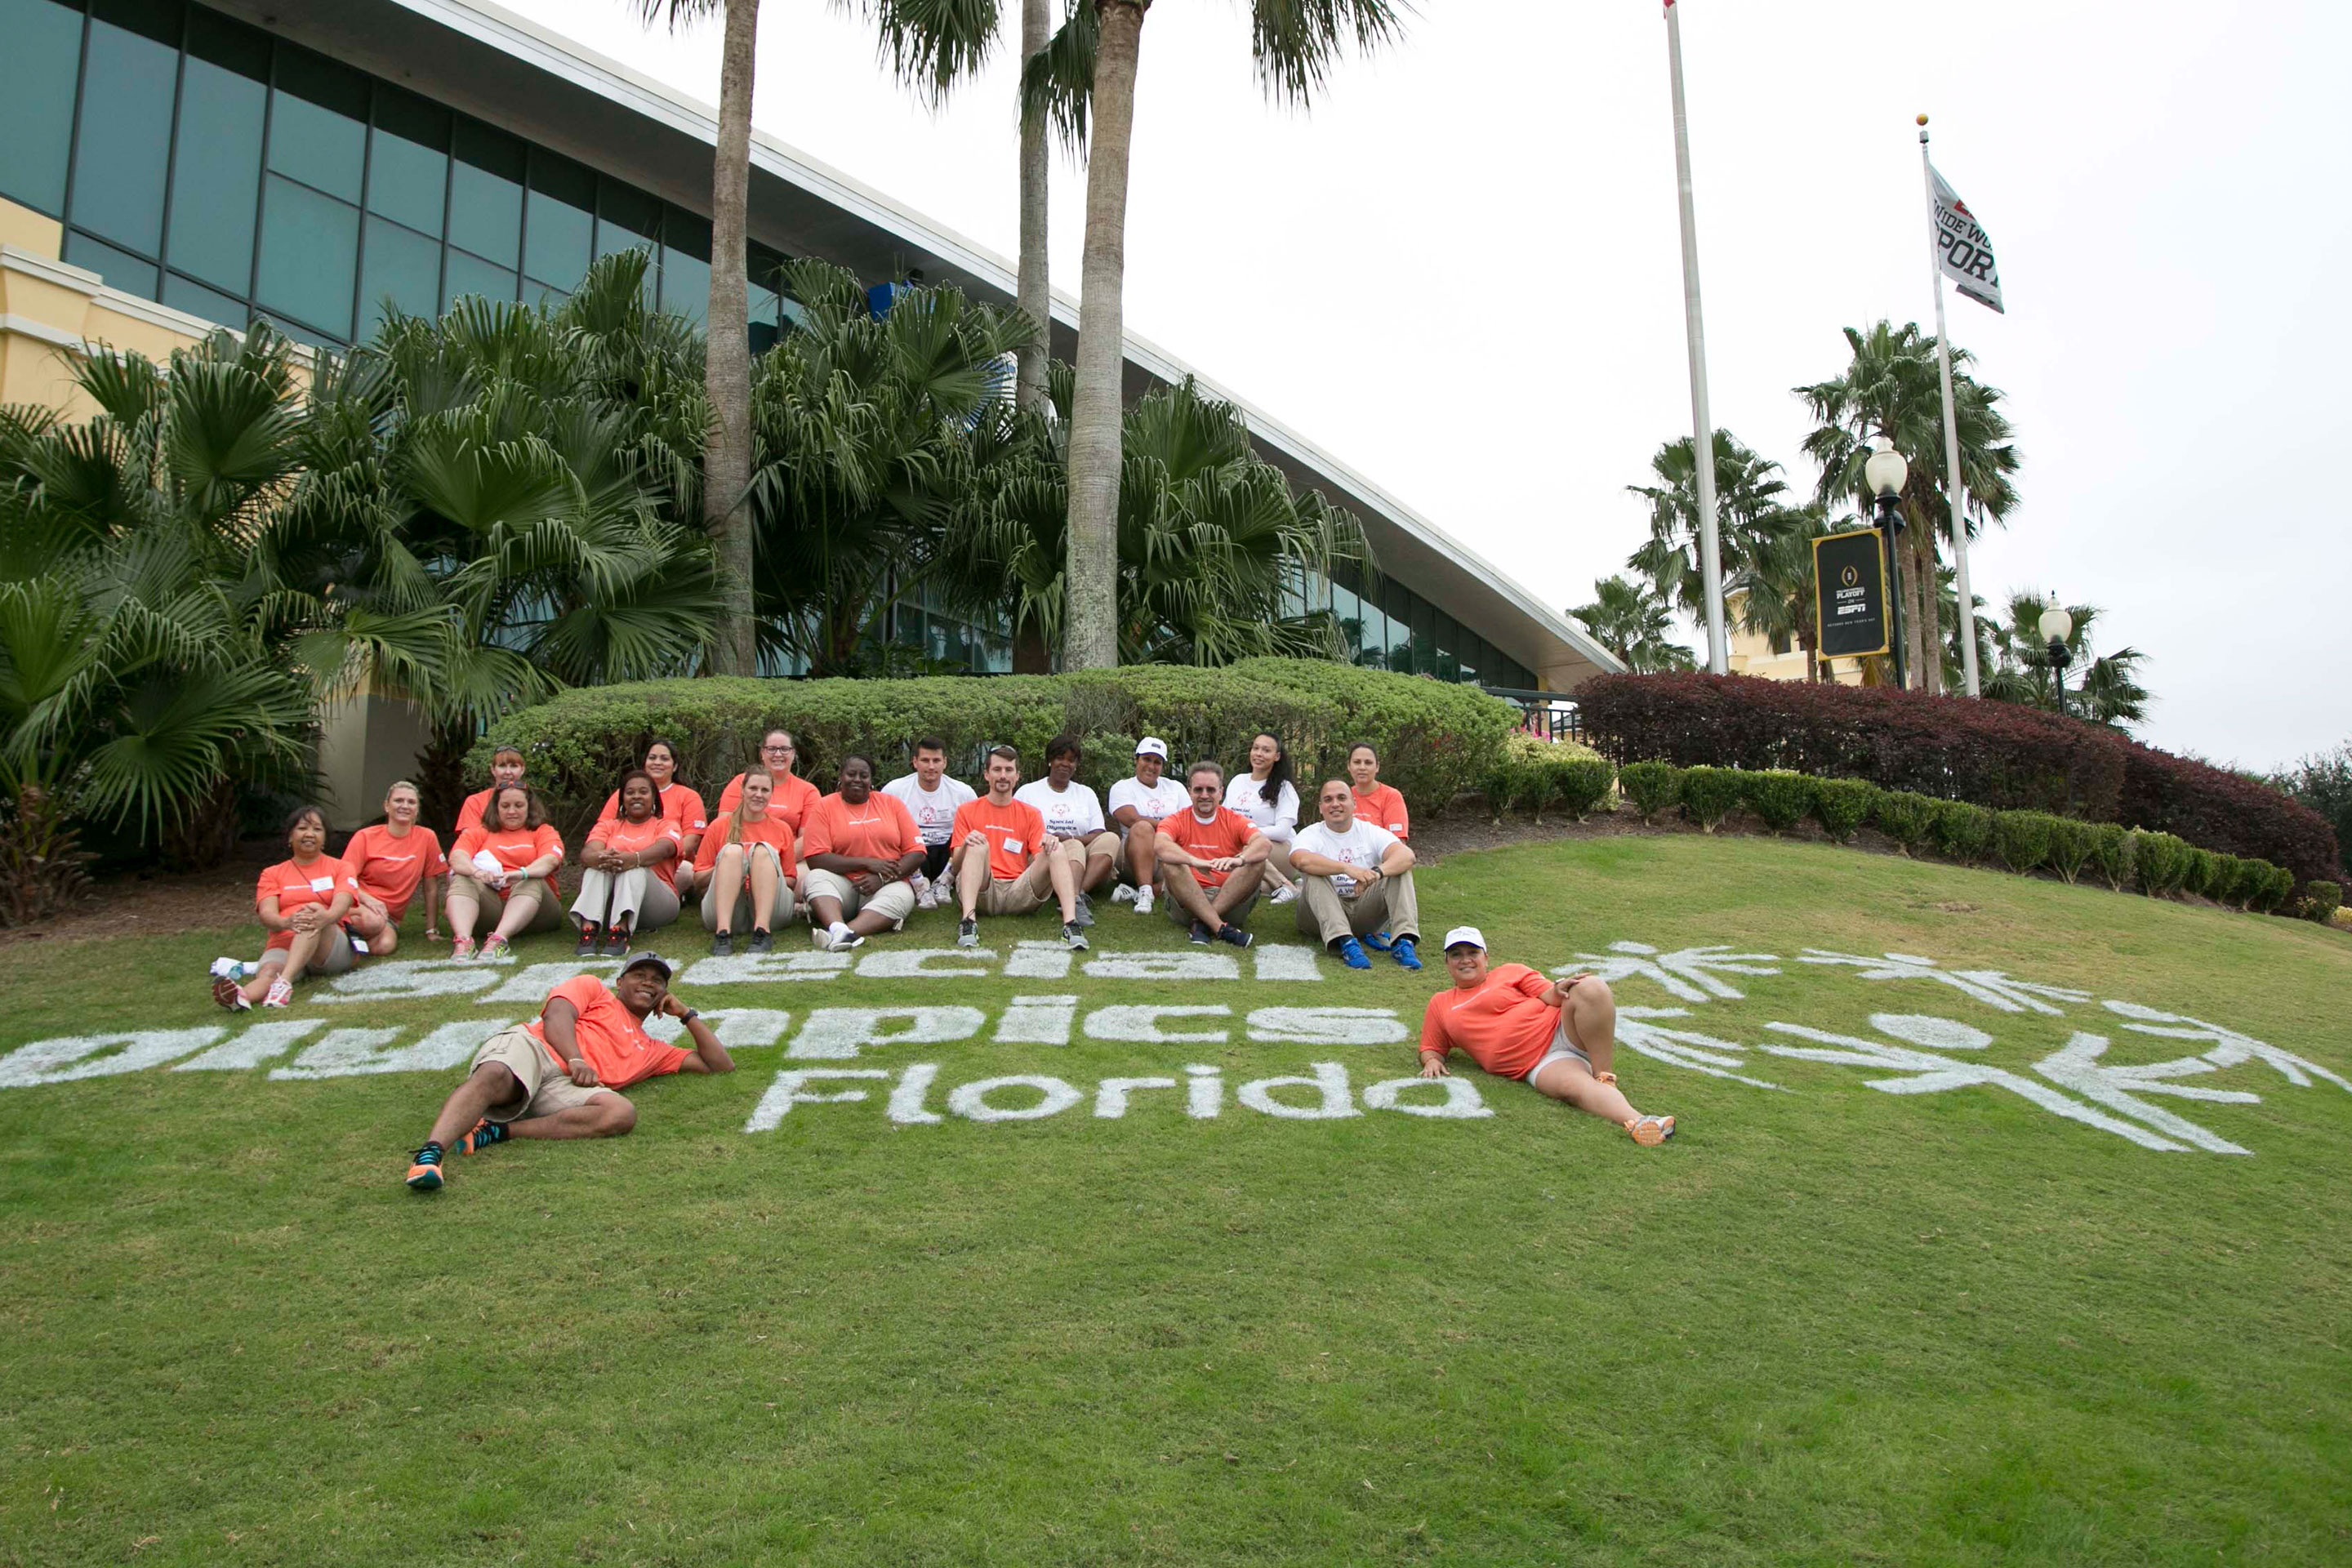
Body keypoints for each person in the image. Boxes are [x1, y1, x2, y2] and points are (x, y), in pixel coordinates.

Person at [403, 953, 733, 1192]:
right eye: (639, 975)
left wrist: (686, 1014)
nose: (649, 982)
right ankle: (430, 1155)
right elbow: (557, 1015)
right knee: (494, 1075)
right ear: (619, 982)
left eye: (658, 981)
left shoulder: (653, 1050)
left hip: (565, 1086)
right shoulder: (593, 989)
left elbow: (720, 1066)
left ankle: (497, 1132)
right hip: (536, 1049)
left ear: (664, 994)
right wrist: (575, 1059)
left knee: (621, 1112)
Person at [1417, 926, 1674, 1147]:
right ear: (1447, 962)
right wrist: (1431, 1060)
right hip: (1539, 1063)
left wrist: (1560, 987)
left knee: (1591, 986)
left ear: (1486, 958)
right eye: (1456, 955)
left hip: (1564, 1028)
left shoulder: (1510, 971)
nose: (1465, 960)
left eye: (1472, 953)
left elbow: (1551, 995)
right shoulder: (1441, 1004)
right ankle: (1641, 1123)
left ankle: (1605, 1076)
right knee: (1571, 1089)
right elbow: (1431, 1046)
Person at [209, 805, 361, 1009]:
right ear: (290, 837)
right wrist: (287, 922)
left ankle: (285, 982)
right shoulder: (272, 873)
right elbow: (267, 914)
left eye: (317, 829)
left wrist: (325, 917)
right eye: (302, 828)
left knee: (312, 911)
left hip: (330, 945)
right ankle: (241, 997)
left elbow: (342, 902)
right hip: (285, 942)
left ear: (325, 839)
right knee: (269, 970)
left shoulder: (341, 867)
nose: (309, 834)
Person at [950, 745, 1089, 952]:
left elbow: (1039, 857)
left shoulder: (1030, 814)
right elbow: (956, 866)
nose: (1003, 776)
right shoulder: (967, 811)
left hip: (1019, 890)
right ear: (987, 775)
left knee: (1057, 848)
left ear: (1017, 776)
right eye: (997, 770)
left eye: (1009, 770)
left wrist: (1050, 843)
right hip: (984, 890)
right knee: (977, 845)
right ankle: (968, 922)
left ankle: (1071, 924)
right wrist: (968, 843)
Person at [1290, 778, 1422, 970]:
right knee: (1314, 872)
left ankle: (1404, 941)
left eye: (1342, 798)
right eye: (1328, 800)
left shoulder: (1370, 831)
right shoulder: (1311, 833)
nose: (1335, 804)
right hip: (1317, 916)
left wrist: (1377, 873)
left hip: (1362, 907)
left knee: (1400, 871)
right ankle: (1345, 942)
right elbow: (1300, 860)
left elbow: (1407, 856)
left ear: (1354, 804)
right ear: (1320, 808)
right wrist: (1346, 868)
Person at [800, 755, 924, 952]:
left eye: (864, 775)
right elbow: (816, 859)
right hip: (844, 887)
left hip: (886, 885)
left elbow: (917, 853)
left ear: (871, 780)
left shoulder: (891, 804)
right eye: (851, 774)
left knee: (903, 895)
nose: (857, 779)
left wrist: (881, 878)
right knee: (815, 878)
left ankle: (843, 932)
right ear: (841, 777)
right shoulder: (824, 807)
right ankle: (837, 924)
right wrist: (866, 863)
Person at [570, 768, 684, 959]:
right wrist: (604, 859)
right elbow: (587, 853)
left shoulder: (666, 825)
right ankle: (589, 929)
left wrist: (632, 859)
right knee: (597, 868)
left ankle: (620, 932)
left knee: (634, 870)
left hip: (658, 906)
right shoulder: (608, 826)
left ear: (654, 797)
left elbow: (666, 848)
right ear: (622, 798)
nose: (636, 797)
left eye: (643, 792)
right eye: (630, 793)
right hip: (610, 905)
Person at [1155, 760, 1269, 948]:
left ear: (1221, 792)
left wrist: (1238, 860)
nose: (1205, 795)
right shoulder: (1176, 819)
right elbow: (1160, 845)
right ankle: (1218, 926)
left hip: (1230, 901)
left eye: (1211, 790)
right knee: (1171, 862)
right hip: (1187, 903)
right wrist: (1194, 861)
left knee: (1257, 862)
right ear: (1189, 791)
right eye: (1198, 790)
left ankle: (1202, 924)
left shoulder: (1234, 819)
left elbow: (1263, 844)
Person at [447, 783, 566, 960]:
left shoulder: (543, 831)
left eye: (518, 806)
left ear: (529, 807)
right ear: (496, 808)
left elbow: (550, 860)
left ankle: (499, 940)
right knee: (462, 878)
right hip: (494, 905)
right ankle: (464, 941)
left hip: (538, 911)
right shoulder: (479, 832)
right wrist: (477, 872)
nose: (512, 811)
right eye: (505, 806)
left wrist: (520, 873)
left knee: (531, 879)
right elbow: (457, 857)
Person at [1013, 733, 1120, 922]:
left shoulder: (1085, 793)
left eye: (1071, 760)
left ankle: (1075, 896)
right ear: (1050, 761)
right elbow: (1015, 831)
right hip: (1042, 855)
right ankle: (1073, 898)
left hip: (1081, 861)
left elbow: (1098, 833)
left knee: (1110, 839)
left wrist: (1069, 839)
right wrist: (1053, 841)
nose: (1065, 764)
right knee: (1072, 846)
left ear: (1076, 765)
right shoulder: (1028, 792)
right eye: (1060, 758)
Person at [693, 764, 796, 955]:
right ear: (742, 791)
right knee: (733, 852)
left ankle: (762, 932)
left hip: (770, 909)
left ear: (771, 794)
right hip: (730, 909)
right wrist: (731, 869)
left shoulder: (782, 828)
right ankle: (723, 935)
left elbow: (791, 880)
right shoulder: (719, 827)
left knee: (763, 851)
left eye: (765, 790)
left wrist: (764, 872)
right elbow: (698, 880)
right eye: (753, 788)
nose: (758, 794)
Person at [341, 780, 446, 958]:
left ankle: (345, 942)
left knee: (385, 946)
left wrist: (431, 930)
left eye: (411, 802)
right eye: (398, 801)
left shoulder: (427, 837)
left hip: (389, 918)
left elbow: (431, 887)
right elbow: (344, 880)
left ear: (417, 810)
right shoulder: (365, 837)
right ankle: (331, 932)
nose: (405, 806)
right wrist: (370, 901)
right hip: (359, 904)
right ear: (387, 806)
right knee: (371, 922)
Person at [594, 738, 708, 898]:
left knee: (688, 872)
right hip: (623, 858)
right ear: (645, 763)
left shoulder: (688, 796)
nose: (657, 763)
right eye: (652, 758)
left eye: (664, 758)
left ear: (674, 766)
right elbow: (603, 829)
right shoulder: (623, 794)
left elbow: (692, 840)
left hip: (669, 863)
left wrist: (649, 857)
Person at [882, 737, 977, 910]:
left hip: (948, 855)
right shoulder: (894, 790)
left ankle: (945, 882)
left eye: (936, 760)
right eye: (925, 760)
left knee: (972, 837)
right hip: (914, 855)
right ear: (915, 762)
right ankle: (920, 887)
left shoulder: (963, 792)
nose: (931, 766)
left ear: (945, 762)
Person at [1107, 736, 1189, 915]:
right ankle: (1144, 890)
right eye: (1146, 759)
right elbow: (1132, 819)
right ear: (1136, 760)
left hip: (1167, 852)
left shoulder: (1175, 787)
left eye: (1157, 762)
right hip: (1133, 854)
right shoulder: (1122, 787)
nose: (1151, 766)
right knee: (1142, 827)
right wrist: (1171, 826)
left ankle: (1144, 892)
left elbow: (1189, 823)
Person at [715, 728, 823, 859]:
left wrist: (775, 862)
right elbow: (723, 827)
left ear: (793, 754)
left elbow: (808, 837)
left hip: (788, 860)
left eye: (784, 749)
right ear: (762, 753)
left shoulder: (808, 791)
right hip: (739, 858)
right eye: (771, 749)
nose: (778, 754)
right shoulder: (740, 782)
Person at [1224, 731, 1303, 904]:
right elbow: (1223, 817)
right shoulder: (1238, 781)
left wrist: (1248, 833)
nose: (1259, 754)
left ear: (1277, 756)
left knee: (1247, 850)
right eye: (1256, 748)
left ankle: (1284, 884)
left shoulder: (1284, 788)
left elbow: (1282, 831)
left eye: (1266, 750)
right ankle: (1289, 888)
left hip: (1277, 849)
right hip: (1240, 847)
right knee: (1231, 877)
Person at [454, 745, 528, 836]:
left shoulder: (532, 799)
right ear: (493, 770)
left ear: (522, 770)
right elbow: (467, 840)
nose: (508, 772)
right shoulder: (475, 802)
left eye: (513, 766)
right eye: (502, 766)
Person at [1346, 742, 1411, 840]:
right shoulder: (1343, 797)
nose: (1362, 767)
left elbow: (1398, 844)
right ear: (1349, 766)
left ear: (1377, 767)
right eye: (1357, 762)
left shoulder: (1391, 796)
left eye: (1368, 763)